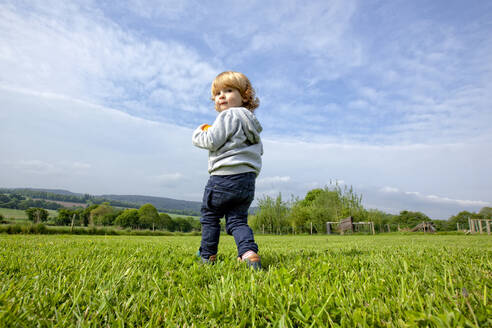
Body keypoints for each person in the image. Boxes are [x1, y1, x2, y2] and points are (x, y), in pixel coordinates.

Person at [192, 71, 263, 269]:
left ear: (245, 96)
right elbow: (259, 152)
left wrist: (199, 132)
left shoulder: (228, 116)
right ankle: (248, 253)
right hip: (246, 180)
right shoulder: (252, 124)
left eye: (229, 90)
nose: (221, 95)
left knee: (211, 216)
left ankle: (207, 256)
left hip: (223, 178)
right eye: (217, 93)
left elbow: (211, 140)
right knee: (237, 221)